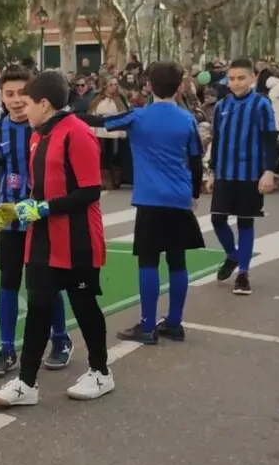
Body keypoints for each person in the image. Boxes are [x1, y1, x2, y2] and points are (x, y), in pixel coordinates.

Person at [0, 70, 113, 408]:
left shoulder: (79, 134)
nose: (21, 109)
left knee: (84, 306)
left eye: (26, 103)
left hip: (79, 239)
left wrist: (42, 208)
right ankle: (26, 383)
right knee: (38, 306)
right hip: (41, 238)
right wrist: (19, 208)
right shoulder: (37, 136)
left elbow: (90, 191)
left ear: (44, 103)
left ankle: (101, 372)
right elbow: (41, 189)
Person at [79, 62, 204, 344]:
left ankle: (147, 325)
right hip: (179, 198)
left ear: (149, 87)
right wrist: (193, 194)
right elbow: (195, 162)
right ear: (180, 87)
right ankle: (174, 322)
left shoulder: (137, 117)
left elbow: (99, 123)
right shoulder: (187, 120)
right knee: (177, 260)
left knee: (148, 261)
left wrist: (66, 115)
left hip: (150, 199)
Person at [0, 66, 71, 376]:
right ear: (1, 97)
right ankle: (6, 349)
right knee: (8, 281)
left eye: (22, 94)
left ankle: (60, 339)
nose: (16, 101)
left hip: (40, 217)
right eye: (9, 94)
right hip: (8, 218)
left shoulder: (46, 127)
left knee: (45, 284)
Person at [206, 58, 278, 296]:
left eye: (241, 78)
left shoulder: (261, 104)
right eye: (232, 78)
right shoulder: (221, 105)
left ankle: (244, 274)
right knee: (217, 219)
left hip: (251, 174)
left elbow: (270, 139)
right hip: (225, 172)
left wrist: (269, 171)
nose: (235, 83)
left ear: (252, 78)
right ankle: (232, 255)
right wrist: (212, 171)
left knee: (245, 221)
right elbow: (217, 140)